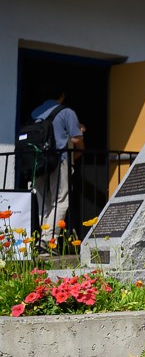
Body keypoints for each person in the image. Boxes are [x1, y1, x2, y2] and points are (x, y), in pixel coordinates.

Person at [31, 92, 83, 247]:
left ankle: (43, 237)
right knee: (61, 199)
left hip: (38, 163)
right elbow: (76, 138)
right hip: (59, 160)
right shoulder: (66, 112)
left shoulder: (35, 113)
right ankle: (48, 240)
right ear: (62, 95)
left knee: (43, 200)